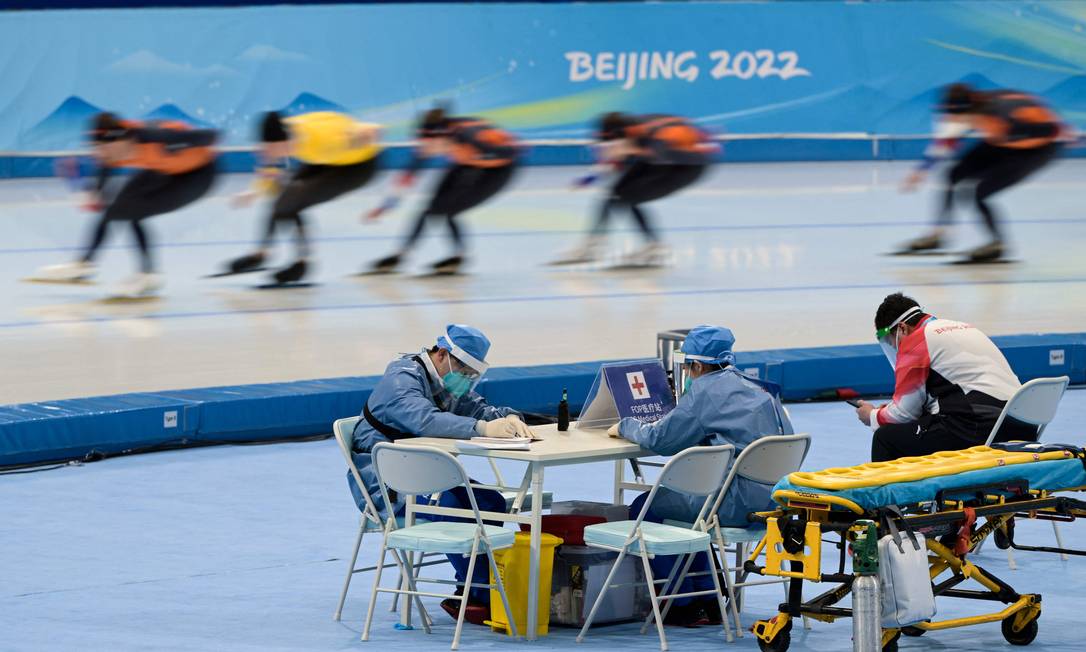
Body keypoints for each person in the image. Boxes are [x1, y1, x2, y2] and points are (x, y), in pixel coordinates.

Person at [607, 325, 792, 626]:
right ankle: (713, 597)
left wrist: (626, 426)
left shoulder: (704, 394)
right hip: (774, 502)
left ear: (696, 365)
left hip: (733, 504)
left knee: (647, 507)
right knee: (698, 503)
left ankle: (681, 603)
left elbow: (661, 440)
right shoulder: (761, 392)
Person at [347, 324, 534, 622]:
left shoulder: (446, 383)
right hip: (386, 484)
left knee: (489, 502)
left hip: (423, 475)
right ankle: (483, 592)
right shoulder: (401, 378)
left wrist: (507, 418)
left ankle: (469, 588)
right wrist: (483, 430)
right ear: (443, 354)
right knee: (457, 507)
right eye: (465, 371)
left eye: (474, 374)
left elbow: (478, 409)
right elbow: (425, 421)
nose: (468, 380)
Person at [32, 112, 218, 297]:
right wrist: (95, 193)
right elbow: (103, 178)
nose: (100, 154)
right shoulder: (113, 148)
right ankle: (83, 266)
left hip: (198, 175)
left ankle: (149, 275)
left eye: (103, 148)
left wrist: (179, 142)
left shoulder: (155, 138)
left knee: (128, 210)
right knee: (118, 208)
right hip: (162, 169)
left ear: (121, 142)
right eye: (97, 148)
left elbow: (212, 136)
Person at [856, 293, 1037, 462]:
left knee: (886, 437)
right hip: (1023, 424)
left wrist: (872, 415)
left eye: (892, 342)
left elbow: (904, 413)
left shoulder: (916, 340)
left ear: (902, 328)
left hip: (981, 427)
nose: (897, 350)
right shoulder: (963, 327)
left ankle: (890, 496)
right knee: (923, 424)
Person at [899, 83, 1070, 262]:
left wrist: (1012, 140)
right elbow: (946, 140)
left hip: (1040, 148)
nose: (955, 120)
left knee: (981, 192)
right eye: (952, 115)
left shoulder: (1004, 113)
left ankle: (997, 244)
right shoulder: (964, 112)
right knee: (953, 174)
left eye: (960, 116)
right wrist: (922, 170)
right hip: (1004, 139)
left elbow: (1054, 131)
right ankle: (939, 234)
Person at [220, 111, 382, 284]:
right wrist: (254, 191)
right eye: (266, 148)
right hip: (327, 159)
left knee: (291, 201)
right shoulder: (285, 132)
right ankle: (262, 254)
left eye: (272, 149)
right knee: (283, 199)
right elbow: (270, 167)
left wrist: (365, 134)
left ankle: (302, 264)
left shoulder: (323, 140)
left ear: (285, 142)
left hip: (359, 166)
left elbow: (369, 130)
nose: (269, 153)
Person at [366, 107, 518, 275]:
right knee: (430, 209)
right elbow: (408, 176)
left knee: (444, 210)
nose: (424, 148)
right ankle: (400, 255)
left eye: (428, 144)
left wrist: (480, 159)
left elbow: (511, 151)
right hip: (467, 163)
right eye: (422, 142)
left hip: (499, 170)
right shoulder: (438, 140)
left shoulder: (470, 137)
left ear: (441, 138)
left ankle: (456, 256)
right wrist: (385, 207)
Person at [553, 112, 717, 266]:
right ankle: (594, 245)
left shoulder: (659, 134)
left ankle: (653, 248)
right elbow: (615, 159)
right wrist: (591, 177)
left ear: (629, 131)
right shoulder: (633, 131)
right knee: (614, 195)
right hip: (662, 157)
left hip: (690, 165)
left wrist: (630, 150)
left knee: (629, 197)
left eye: (617, 140)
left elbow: (660, 157)